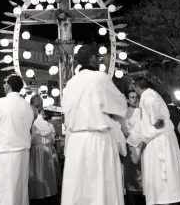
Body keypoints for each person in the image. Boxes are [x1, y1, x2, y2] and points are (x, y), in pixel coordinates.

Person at [61, 44, 128, 205]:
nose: (99, 61)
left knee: (79, 190)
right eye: (97, 58)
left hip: (76, 143)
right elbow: (120, 106)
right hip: (98, 141)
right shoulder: (100, 78)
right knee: (100, 188)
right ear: (92, 59)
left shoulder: (70, 83)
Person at [129, 77, 180, 205]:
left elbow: (159, 122)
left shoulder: (149, 97)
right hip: (157, 139)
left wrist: (147, 136)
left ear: (138, 87)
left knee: (163, 177)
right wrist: (135, 139)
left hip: (159, 141)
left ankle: (165, 200)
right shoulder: (149, 95)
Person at [0, 75, 34, 205]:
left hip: (7, 154)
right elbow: (28, 127)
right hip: (23, 154)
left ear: (8, 86)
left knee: (6, 191)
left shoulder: (1, 102)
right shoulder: (27, 106)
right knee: (21, 191)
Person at [29, 94, 61, 200]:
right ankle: (48, 191)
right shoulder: (45, 123)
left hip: (35, 149)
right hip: (46, 149)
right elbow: (51, 138)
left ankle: (38, 193)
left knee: (38, 172)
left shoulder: (32, 120)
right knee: (46, 173)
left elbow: (30, 137)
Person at [124, 89, 143, 205]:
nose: (135, 99)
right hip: (127, 147)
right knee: (129, 174)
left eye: (136, 96)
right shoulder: (124, 113)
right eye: (132, 97)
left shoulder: (140, 111)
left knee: (140, 173)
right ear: (127, 99)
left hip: (138, 145)